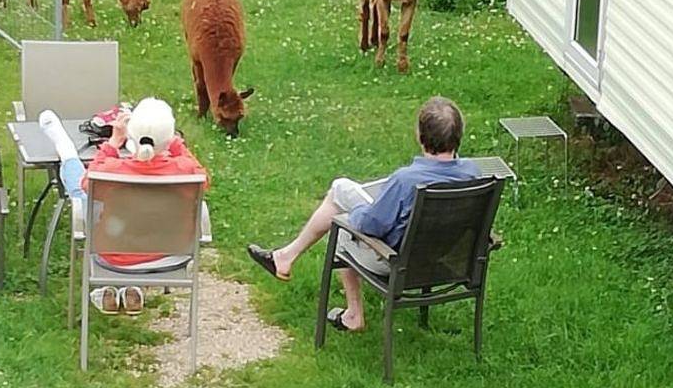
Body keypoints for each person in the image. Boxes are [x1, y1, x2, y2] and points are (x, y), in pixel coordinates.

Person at [247, 96, 479, 333]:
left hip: (397, 263)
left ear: (420, 136)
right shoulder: (473, 174)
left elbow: (371, 226)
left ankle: (353, 314)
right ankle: (285, 256)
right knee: (344, 192)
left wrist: (355, 212)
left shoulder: (406, 180)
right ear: (458, 135)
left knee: (341, 221)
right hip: (443, 260)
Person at [40, 97, 209, 316]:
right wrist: (175, 143)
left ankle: (66, 150)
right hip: (172, 255)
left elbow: (87, 182)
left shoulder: (112, 171)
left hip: (115, 256)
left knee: (80, 190)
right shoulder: (186, 170)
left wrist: (112, 143)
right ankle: (130, 288)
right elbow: (201, 175)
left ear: (133, 137)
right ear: (169, 138)